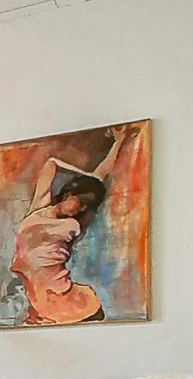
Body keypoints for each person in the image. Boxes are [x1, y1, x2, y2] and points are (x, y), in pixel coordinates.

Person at [9, 125, 128, 325]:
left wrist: (118, 144)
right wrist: (87, 177)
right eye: (80, 202)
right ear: (69, 193)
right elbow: (51, 163)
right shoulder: (40, 206)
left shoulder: (72, 225)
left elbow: (101, 176)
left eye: (86, 207)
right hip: (39, 300)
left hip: (59, 295)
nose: (81, 209)